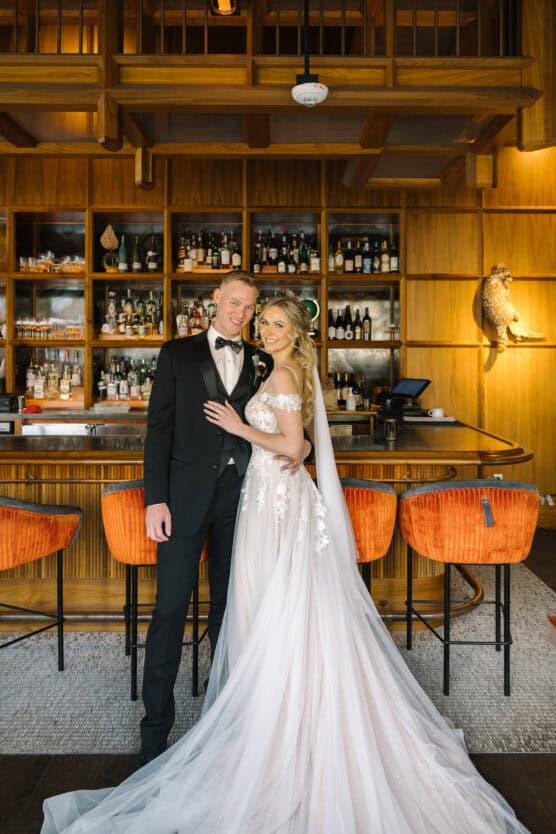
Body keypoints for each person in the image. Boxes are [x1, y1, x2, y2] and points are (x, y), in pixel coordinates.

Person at [41, 296, 530, 834]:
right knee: (260, 606)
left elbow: (292, 441)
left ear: (295, 332)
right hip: (252, 499)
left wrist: (242, 426)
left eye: (273, 322)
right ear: (221, 306)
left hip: (270, 502)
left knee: (272, 607)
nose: (263, 328)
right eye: (260, 320)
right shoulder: (246, 363)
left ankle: (275, 729)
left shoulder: (280, 373)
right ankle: (220, 725)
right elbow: (183, 430)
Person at [138, 270, 304, 768]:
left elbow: (289, 419)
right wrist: (155, 499)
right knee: (170, 610)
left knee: (231, 614)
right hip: (183, 500)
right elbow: (158, 430)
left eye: (250, 309)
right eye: (234, 304)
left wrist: (306, 445)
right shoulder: (176, 354)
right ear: (215, 299)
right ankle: (154, 734)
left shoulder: (262, 358)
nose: (241, 315)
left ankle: (224, 722)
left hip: (243, 503)